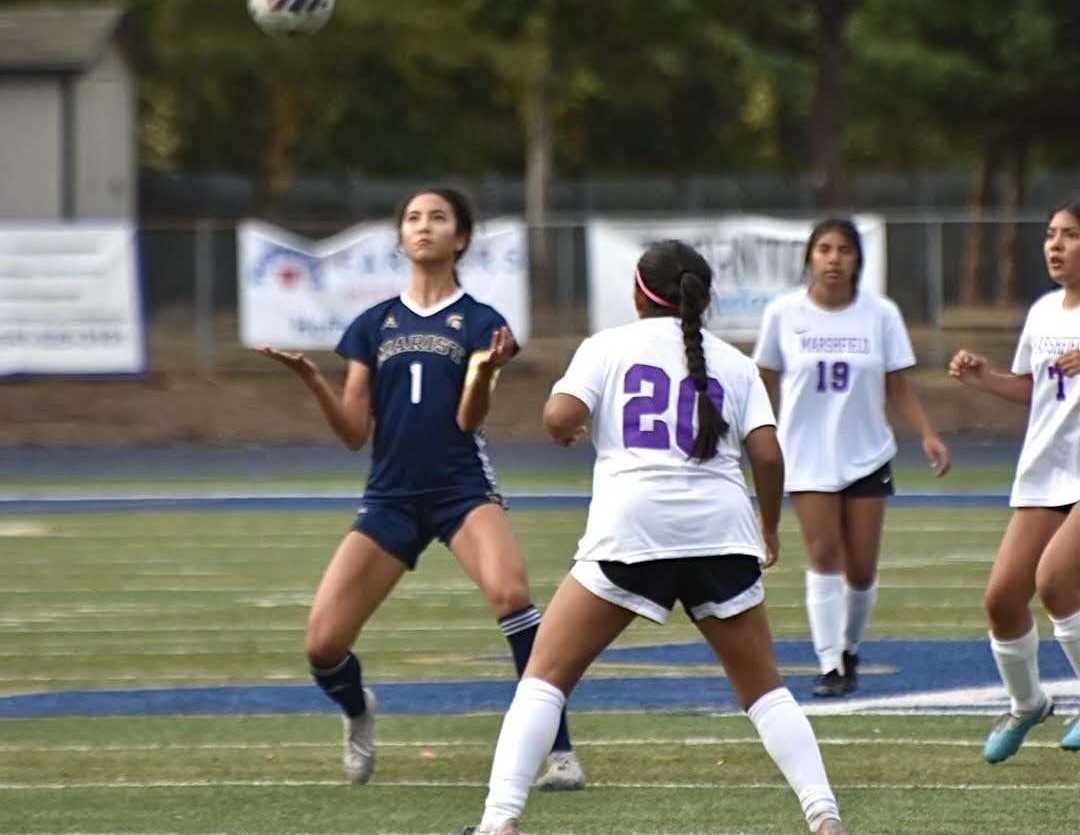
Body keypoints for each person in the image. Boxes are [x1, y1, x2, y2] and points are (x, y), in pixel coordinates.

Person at [460, 240, 850, 835]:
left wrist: (578, 427)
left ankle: (498, 823)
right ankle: (824, 816)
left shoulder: (607, 346)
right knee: (766, 692)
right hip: (722, 530)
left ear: (639, 292)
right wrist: (766, 525)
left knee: (545, 678)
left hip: (633, 529)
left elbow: (558, 417)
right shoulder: (734, 362)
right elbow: (767, 456)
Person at [257, 187, 584, 790]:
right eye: (413, 218)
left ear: (461, 238)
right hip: (390, 497)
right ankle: (359, 713)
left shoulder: (483, 322)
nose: (424, 226)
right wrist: (311, 380)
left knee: (514, 598)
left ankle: (559, 753)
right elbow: (355, 432)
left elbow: (467, 420)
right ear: (401, 237)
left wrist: (483, 372)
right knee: (323, 644)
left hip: (461, 489)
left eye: (438, 218)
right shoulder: (372, 324)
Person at [752, 218, 950, 697]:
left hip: (866, 453)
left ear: (858, 259)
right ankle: (829, 664)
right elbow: (761, 381)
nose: (834, 258)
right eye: (824, 248)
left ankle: (850, 648)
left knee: (861, 568)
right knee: (824, 554)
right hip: (805, 455)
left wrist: (927, 434)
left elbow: (897, 383)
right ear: (809, 257)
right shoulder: (783, 313)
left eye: (844, 249)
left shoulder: (879, 314)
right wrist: (752, 434)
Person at [948, 199, 1080, 762]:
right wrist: (984, 378)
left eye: (1070, 236)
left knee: (1055, 580)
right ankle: (1028, 703)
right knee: (1002, 598)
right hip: (1046, 471)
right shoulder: (1045, 311)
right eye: (1051, 234)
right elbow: (1034, 390)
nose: (1055, 245)